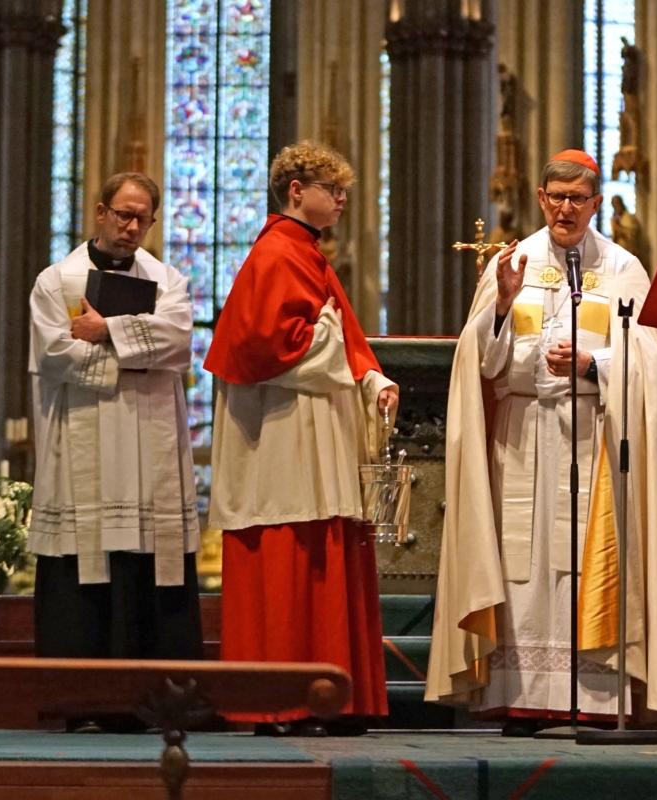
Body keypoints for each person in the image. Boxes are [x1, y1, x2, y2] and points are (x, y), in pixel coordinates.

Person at [428, 150, 657, 736]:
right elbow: (480, 361)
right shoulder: (512, 262)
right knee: (520, 565)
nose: (565, 208)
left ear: (596, 204)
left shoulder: (623, 268)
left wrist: (595, 362)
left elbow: (648, 360)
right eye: (555, 197)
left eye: (578, 199)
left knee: (581, 564)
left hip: (592, 438)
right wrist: (498, 303)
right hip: (522, 437)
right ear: (541, 199)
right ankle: (521, 699)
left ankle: (590, 699)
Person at [204, 141, 396, 737]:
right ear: (295, 191)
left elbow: (339, 331)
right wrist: (337, 341)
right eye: (331, 189)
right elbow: (268, 344)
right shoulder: (276, 255)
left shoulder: (307, 253)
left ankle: (329, 697)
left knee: (323, 547)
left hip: (315, 426)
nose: (341, 200)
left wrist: (371, 375)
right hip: (283, 433)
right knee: (291, 549)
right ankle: (283, 702)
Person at [28, 172, 200, 730]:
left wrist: (105, 330)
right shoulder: (57, 280)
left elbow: (178, 345)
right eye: (122, 215)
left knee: (145, 563)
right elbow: (54, 355)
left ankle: (154, 706)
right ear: (100, 212)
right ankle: (79, 704)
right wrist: (135, 345)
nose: (131, 227)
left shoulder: (167, 279)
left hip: (148, 440)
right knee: (84, 564)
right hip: (83, 434)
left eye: (142, 219)